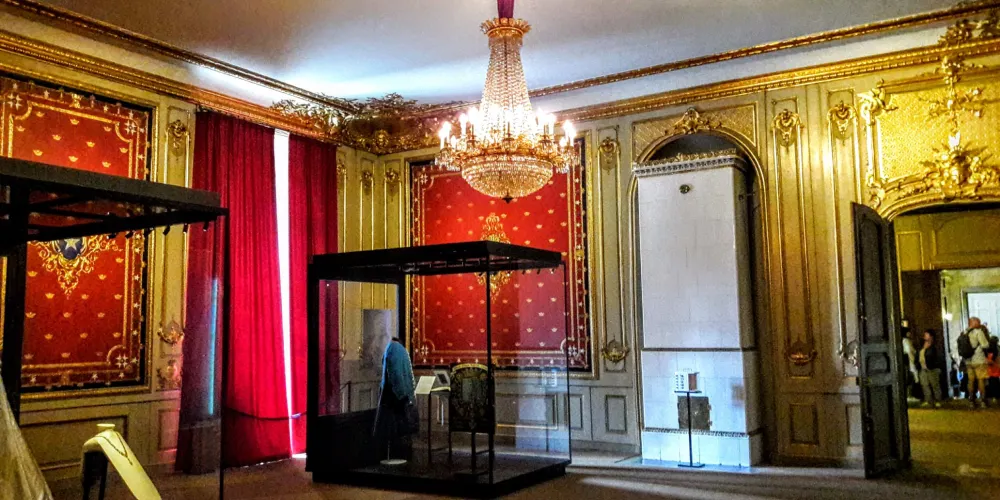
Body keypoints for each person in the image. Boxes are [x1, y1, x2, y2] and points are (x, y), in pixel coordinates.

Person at [375, 337, 417, 461]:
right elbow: (408, 375)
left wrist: (399, 393)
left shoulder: (392, 348)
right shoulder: (403, 351)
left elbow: (395, 373)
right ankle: (403, 453)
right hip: (403, 394)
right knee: (403, 425)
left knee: (391, 425)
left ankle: (392, 453)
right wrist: (407, 394)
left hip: (393, 394)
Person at [963, 317, 991, 408]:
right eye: (978, 322)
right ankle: (983, 401)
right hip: (979, 360)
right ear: (974, 323)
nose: (979, 324)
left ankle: (971, 401)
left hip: (968, 361)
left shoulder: (964, 333)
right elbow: (985, 345)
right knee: (981, 380)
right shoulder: (978, 332)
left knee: (970, 381)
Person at [917, 329, 943, 408]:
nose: (924, 336)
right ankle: (928, 400)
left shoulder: (934, 346)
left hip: (932, 368)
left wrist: (926, 349)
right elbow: (919, 354)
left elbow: (933, 357)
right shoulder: (922, 344)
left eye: (926, 335)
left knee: (935, 385)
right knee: (925, 385)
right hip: (923, 367)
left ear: (931, 336)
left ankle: (938, 400)